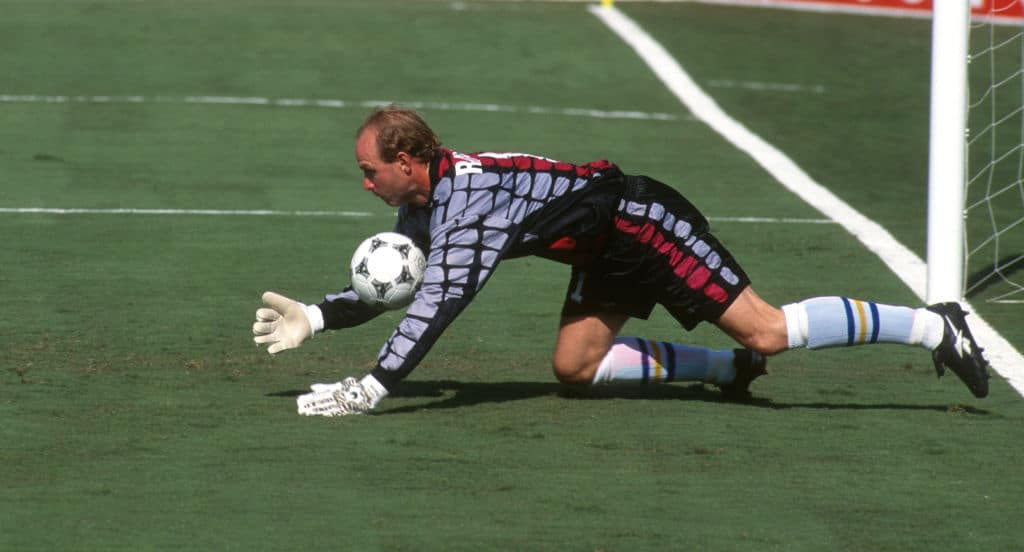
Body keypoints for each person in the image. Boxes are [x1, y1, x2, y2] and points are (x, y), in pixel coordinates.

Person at [252, 105, 991, 416]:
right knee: (575, 369)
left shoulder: (466, 207)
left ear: (408, 162)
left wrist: (372, 388)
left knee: (767, 329)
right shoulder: (428, 200)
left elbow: (436, 306)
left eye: (370, 171)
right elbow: (396, 286)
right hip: (603, 245)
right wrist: (316, 316)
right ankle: (729, 372)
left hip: (645, 226)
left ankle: (935, 326)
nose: (365, 183)